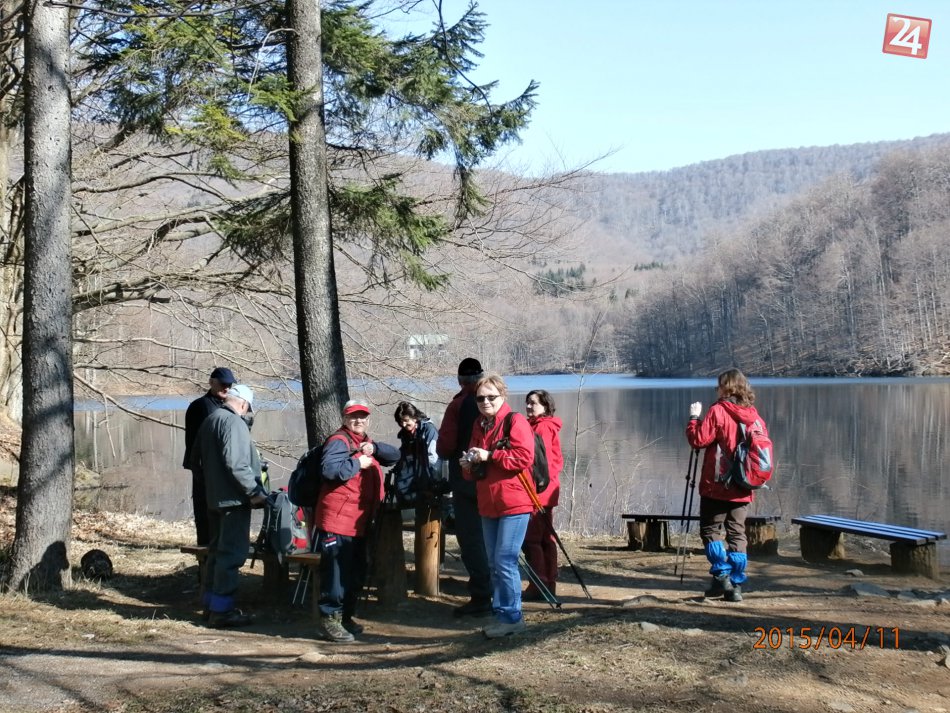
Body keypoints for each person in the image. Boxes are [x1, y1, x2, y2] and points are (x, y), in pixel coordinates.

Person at [313, 399, 399, 643]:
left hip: (358, 522)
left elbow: (395, 455)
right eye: (353, 416)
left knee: (355, 571)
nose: (358, 420)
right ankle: (329, 619)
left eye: (362, 416)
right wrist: (357, 463)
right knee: (336, 572)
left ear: (368, 419)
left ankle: (346, 617)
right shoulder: (338, 441)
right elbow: (329, 470)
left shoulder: (363, 442)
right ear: (344, 418)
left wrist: (374, 449)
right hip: (337, 520)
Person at [685, 368, 769, 603]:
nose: (717, 389)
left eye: (719, 385)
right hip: (744, 484)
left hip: (717, 485)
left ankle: (722, 577)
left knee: (710, 530)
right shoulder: (754, 415)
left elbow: (698, 440)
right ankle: (736, 585)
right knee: (737, 533)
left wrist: (694, 419)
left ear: (727, 388)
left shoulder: (718, 411)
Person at [461, 374, 535, 638]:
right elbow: (474, 469)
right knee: (493, 563)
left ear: (502, 396)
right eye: (480, 398)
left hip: (514, 503)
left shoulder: (515, 421)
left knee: (505, 561)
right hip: (488, 504)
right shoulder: (479, 424)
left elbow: (524, 458)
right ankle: (502, 615)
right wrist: (468, 465)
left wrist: (490, 455)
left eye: (491, 397)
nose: (485, 402)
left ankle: (513, 618)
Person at [191, 384, 266, 628]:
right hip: (234, 501)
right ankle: (222, 612)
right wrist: (255, 492)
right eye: (247, 408)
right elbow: (237, 463)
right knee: (231, 555)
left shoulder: (210, 419)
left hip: (214, 499)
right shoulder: (234, 423)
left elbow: (194, 461)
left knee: (215, 553)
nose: (246, 413)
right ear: (243, 404)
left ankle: (210, 606)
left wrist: (210, 488)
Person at [435, 358, 492, 617]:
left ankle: (482, 596)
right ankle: (501, 594)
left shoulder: (458, 405)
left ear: (460, 381)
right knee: (493, 538)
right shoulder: (495, 403)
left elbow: (445, 447)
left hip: (466, 482)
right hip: (493, 480)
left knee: (471, 539)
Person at [182, 366, 236, 546]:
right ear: (211, 382)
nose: (226, 388)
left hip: (222, 468)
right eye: (223, 384)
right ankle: (205, 554)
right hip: (204, 468)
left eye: (229, 385)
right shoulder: (201, 406)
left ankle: (220, 549)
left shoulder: (230, 406)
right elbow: (197, 443)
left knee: (221, 514)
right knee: (205, 512)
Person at [521, 389, 564, 600]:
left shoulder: (542, 427)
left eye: (534, 403)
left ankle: (539, 584)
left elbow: (540, 463)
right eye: (527, 403)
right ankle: (548, 582)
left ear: (545, 406)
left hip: (539, 490)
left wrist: (532, 487)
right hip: (545, 489)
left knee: (533, 538)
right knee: (545, 537)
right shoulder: (536, 425)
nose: (529, 407)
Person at [391, 401, 443, 507]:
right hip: (410, 482)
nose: (403, 425)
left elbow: (433, 457)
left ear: (415, 417)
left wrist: (434, 482)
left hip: (426, 481)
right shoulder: (405, 435)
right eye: (401, 422)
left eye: (406, 421)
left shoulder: (428, 430)